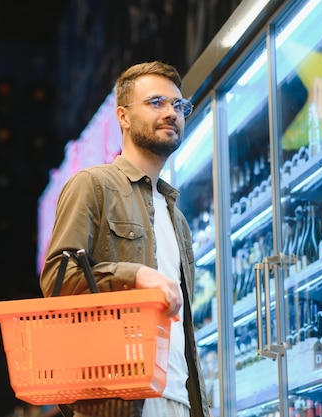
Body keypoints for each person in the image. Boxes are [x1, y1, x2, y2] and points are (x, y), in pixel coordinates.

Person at [39, 61, 213, 417]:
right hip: (115, 402)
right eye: (156, 103)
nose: (171, 113)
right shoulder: (93, 184)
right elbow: (57, 279)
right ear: (123, 116)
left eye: (178, 106)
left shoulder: (176, 218)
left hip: (180, 398)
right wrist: (132, 275)